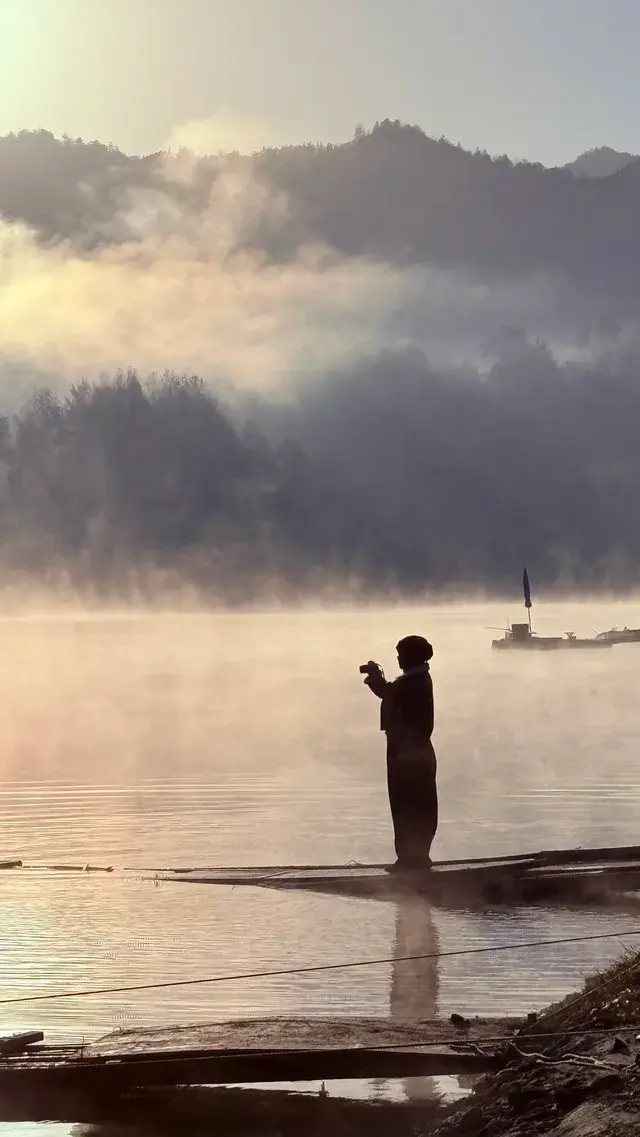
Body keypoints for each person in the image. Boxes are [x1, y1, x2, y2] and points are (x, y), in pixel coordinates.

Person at [361, 635, 437, 871]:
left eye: (401, 653)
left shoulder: (414, 683)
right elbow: (390, 693)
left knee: (409, 806)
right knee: (413, 805)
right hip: (408, 751)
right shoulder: (415, 679)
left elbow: (390, 694)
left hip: (409, 753)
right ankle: (413, 858)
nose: (397, 658)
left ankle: (412, 860)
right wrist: (376, 678)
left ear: (411, 656)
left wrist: (375, 679)